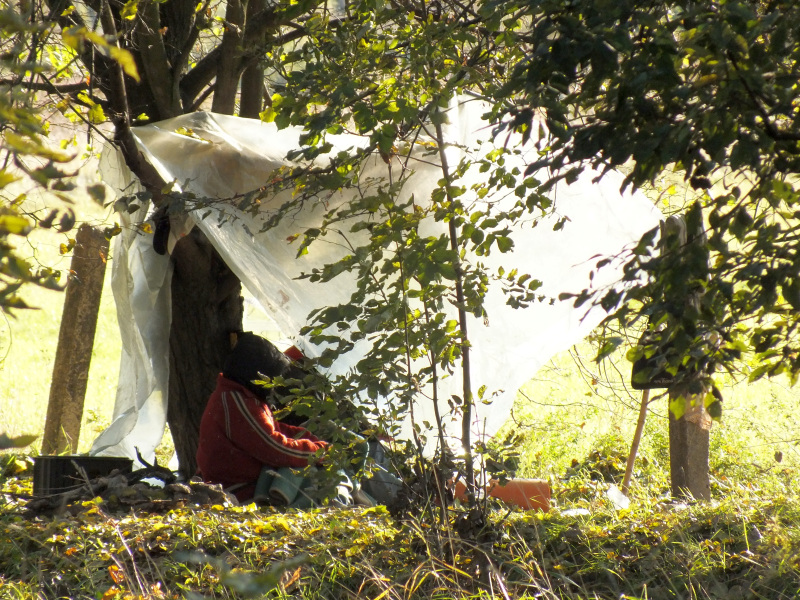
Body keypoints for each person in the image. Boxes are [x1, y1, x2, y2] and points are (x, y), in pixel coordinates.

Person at [195, 333, 329, 502]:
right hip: (237, 489)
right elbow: (275, 448)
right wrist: (320, 452)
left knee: (308, 466)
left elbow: (273, 429)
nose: (274, 384)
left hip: (243, 479)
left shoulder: (240, 396)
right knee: (310, 475)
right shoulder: (235, 402)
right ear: (256, 375)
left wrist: (311, 439)